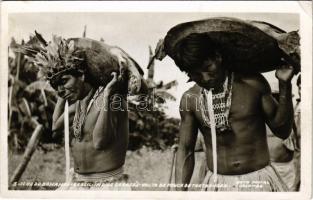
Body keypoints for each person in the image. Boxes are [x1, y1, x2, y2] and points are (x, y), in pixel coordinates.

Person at [174, 33, 295, 191]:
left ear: (218, 56)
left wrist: (285, 84)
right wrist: (179, 192)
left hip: (259, 182)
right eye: (196, 74)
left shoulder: (253, 84)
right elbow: (185, 149)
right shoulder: (190, 99)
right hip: (217, 185)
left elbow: (283, 131)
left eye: (207, 68)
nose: (205, 78)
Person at [31, 36, 136, 190]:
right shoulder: (80, 103)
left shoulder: (113, 98)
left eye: (65, 81)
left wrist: (107, 95)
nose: (59, 90)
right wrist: (62, 91)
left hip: (106, 185)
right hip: (79, 182)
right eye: (55, 86)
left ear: (82, 75)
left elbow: (100, 142)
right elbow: (55, 126)